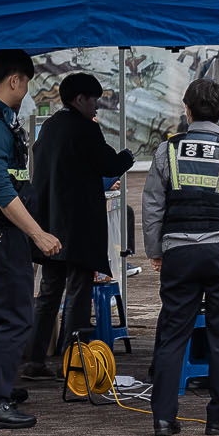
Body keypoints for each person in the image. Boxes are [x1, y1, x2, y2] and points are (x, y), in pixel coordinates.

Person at [142, 78, 219, 436]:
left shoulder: (167, 151)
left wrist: (155, 250)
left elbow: (152, 205)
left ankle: (164, 417)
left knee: (171, 333)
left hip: (179, 252)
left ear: (187, 110)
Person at [0, 49, 62, 430]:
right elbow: (0, 189)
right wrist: (37, 233)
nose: (27, 92)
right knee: (17, 317)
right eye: (27, 83)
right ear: (15, 80)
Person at [22, 72, 136, 382]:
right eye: (94, 99)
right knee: (78, 295)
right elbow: (109, 164)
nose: (97, 106)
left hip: (49, 224)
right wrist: (127, 157)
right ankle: (74, 361)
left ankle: (33, 360)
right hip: (78, 226)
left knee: (47, 294)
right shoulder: (84, 129)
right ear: (79, 99)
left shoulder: (50, 129)